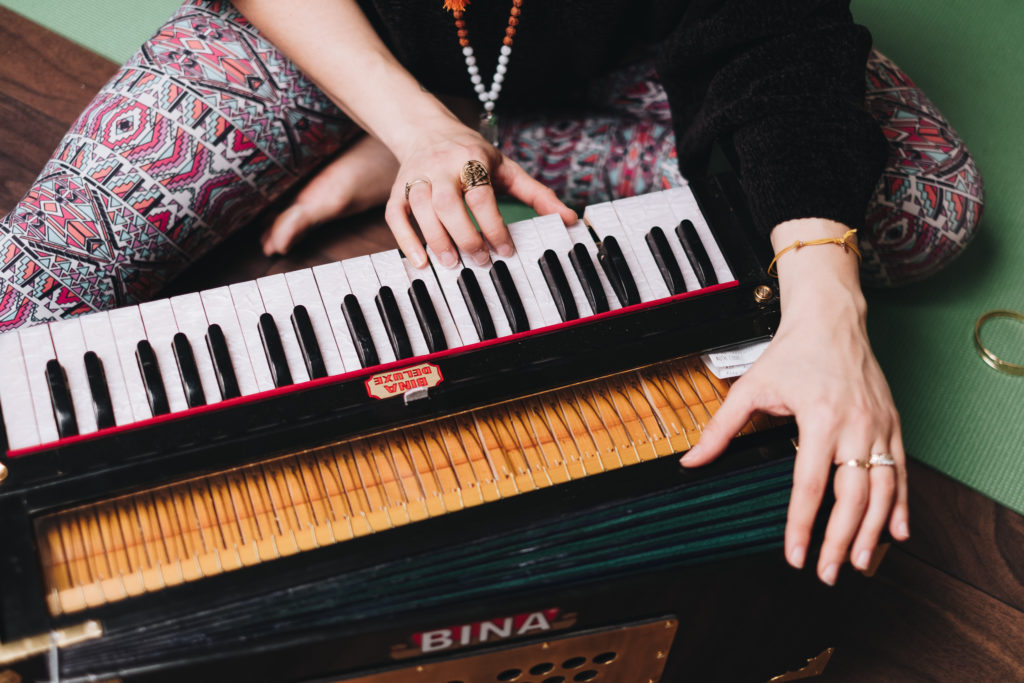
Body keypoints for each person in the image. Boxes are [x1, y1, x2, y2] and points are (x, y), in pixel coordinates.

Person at [0, 0, 982, 586]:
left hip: (630, 35)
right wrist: (412, 124)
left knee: (922, 208)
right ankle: (431, 128)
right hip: (329, 36)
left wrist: (824, 305)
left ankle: (503, 136)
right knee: (28, 289)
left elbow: (770, 39)